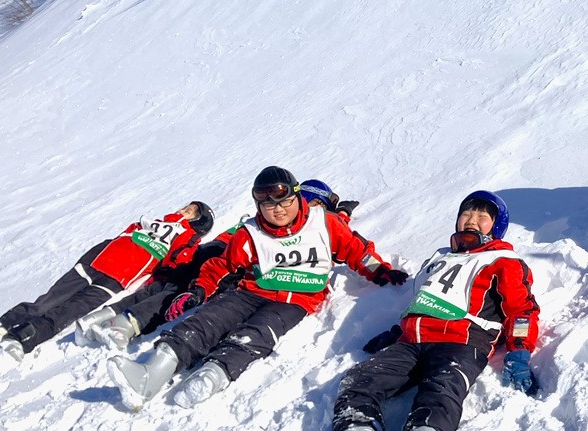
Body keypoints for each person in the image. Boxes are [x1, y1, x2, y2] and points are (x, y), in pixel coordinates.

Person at [108, 167, 407, 411]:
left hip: (297, 300)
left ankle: (213, 375)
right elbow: (220, 266)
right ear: (258, 206)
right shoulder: (251, 232)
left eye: (284, 202)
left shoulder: (324, 223)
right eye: (268, 205)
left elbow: (357, 251)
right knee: (207, 320)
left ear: (297, 198)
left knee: (258, 333)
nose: (278, 210)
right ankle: (151, 374)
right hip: (251, 291)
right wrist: (199, 290)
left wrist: (381, 270)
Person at [303, 191, 542, 431]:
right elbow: (422, 302)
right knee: (360, 379)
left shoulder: (504, 260)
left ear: (495, 227)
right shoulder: (440, 258)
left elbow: (522, 310)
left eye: (482, 217)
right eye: (466, 214)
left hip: (462, 342)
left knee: (443, 387)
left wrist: (519, 350)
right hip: (412, 342)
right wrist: (395, 333)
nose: (472, 221)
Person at [0, 202, 214, 372]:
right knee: (49, 299)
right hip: (96, 262)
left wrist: (190, 242)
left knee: (70, 311)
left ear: (199, 223)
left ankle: (21, 340)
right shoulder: (156, 222)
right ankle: (0, 332)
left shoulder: (186, 239)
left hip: (117, 279)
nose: (185, 210)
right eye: (187, 206)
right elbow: (123, 235)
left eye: (192, 211)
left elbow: (176, 263)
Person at [76, 204, 231, 350]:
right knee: (170, 295)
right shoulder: (192, 236)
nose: (181, 211)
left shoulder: (236, 230)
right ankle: (122, 325)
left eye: (188, 211)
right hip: (202, 263)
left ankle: (103, 317)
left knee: (157, 293)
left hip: (194, 262)